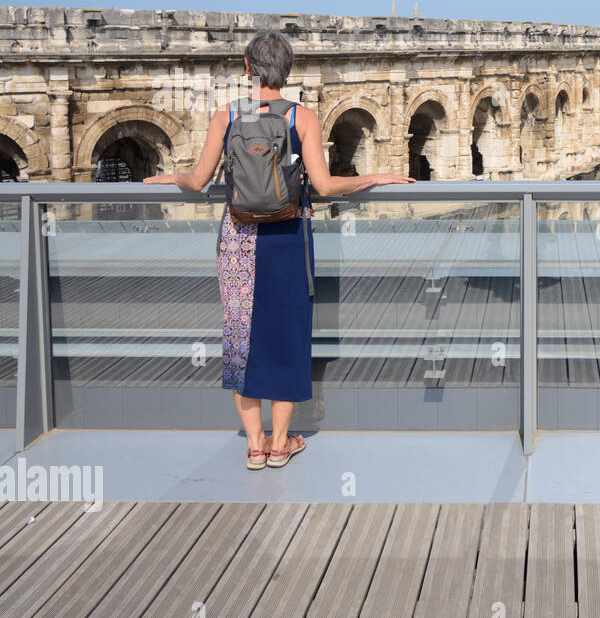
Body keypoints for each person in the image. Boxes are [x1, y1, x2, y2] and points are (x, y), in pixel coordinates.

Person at [146, 32, 413, 469]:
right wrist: (375, 177)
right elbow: (325, 187)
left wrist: (168, 177)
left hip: (239, 240)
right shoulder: (301, 118)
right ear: (287, 71)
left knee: (240, 337)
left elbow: (197, 181)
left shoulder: (226, 114)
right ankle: (280, 443)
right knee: (287, 335)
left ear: (248, 68)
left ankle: (254, 446)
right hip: (289, 236)